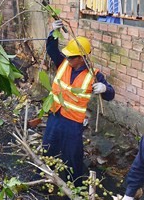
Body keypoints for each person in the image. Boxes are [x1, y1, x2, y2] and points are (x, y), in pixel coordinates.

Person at [41, 20, 115, 186]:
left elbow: (110, 95)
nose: (67, 58)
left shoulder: (94, 75)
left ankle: (73, 189)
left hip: (73, 123)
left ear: (81, 58)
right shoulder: (64, 64)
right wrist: (53, 33)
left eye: (71, 57)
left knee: (72, 156)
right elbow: (52, 50)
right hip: (55, 115)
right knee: (48, 149)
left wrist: (104, 89)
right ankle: (44, 180)